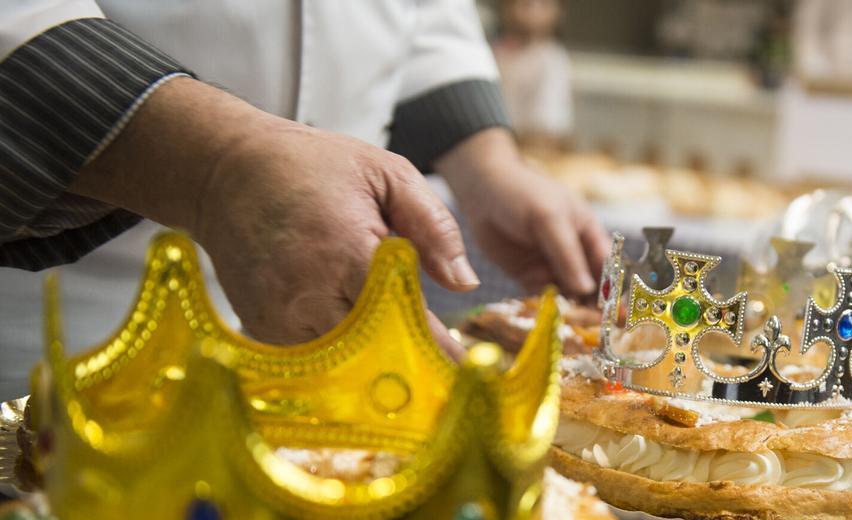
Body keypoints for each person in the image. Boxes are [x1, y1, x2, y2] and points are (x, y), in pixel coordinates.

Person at [0, 1, 606, 359]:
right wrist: (215, 167)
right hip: (64, 328)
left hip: (330, 355)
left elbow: (426, 15)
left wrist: (489, 165)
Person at [492, 0, 573, 149]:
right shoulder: (491, 54)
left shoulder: (552, 60)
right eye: (525, 3)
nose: (533, 12)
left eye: (543, 4)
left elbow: (548, 130)